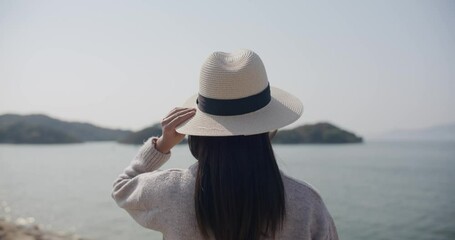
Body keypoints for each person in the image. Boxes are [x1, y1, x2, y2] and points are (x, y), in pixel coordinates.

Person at [112, 49, 339, 240]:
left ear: (200, 130)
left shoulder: (170, 191)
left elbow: (121, 189)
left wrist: (161, 145)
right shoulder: (306, 203)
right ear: (269, 128)